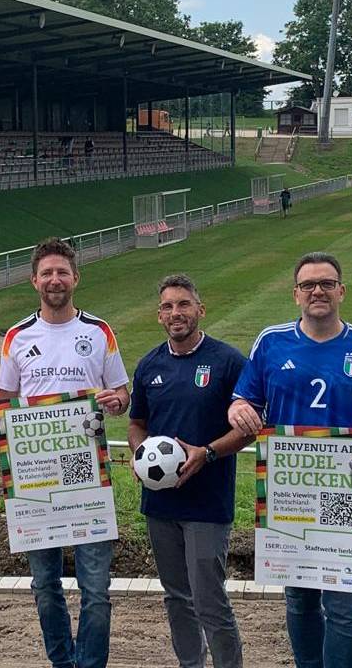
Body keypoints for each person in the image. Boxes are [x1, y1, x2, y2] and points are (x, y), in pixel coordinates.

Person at [227, 251, 352, 668]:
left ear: (341, 291)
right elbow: (245, 397)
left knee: (345, 603)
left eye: (327, 283)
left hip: (347, 494)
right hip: (288, 491)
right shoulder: (271, 341)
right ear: (295, 294)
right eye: (309, 284)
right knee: (298, 599)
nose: (318, 291)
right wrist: (237, 408)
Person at [0, 237, 131, 668]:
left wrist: (118, 400)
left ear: (75, 278)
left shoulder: (98, 331)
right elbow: (3, 400)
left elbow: (122, 391)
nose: (55, 279)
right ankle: (62, 662)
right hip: (34, 478)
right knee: (45, 586)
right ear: (34, 281)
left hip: (87, 475)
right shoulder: (16, 336)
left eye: (62, 272)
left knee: (96, 589)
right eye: (46, 273)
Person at [127, 275, 251, 668]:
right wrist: (140, 456)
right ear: (159, 316)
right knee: (176, 597)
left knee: (209, 600)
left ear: (200, 309)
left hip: (207, 505)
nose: (176, 313)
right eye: (168, 307)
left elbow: (249, 427)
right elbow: (136, 424)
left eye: (184, 304)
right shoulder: (149, 365)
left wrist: (208, 453)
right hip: (160, 504)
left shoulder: (228, 361)